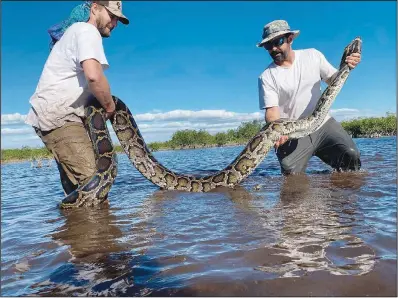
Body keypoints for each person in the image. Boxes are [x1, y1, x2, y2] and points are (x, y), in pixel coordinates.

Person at [25, 1, 130, 196]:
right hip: (61, 116)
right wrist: (109, 107)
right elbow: (93, 76)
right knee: (95, 181)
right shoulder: (87, 31)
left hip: (55, 113)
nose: (114, 23)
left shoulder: (74, 33)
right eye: (111, 15)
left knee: (76, 188)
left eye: (117, 19)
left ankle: (73, 225)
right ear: (95, 8)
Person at [257, 20, 362, 175]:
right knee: (291, 175)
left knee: (351, 155)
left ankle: (343, 195)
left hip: (322, 124)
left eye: (278, 42)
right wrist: (278, 132)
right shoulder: (266, 76)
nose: (273, 49)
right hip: (291, 133)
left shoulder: (313, 55)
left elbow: (334, 80)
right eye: (268, 46)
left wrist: (347, 66)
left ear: (290, 39)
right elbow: (272, 112)